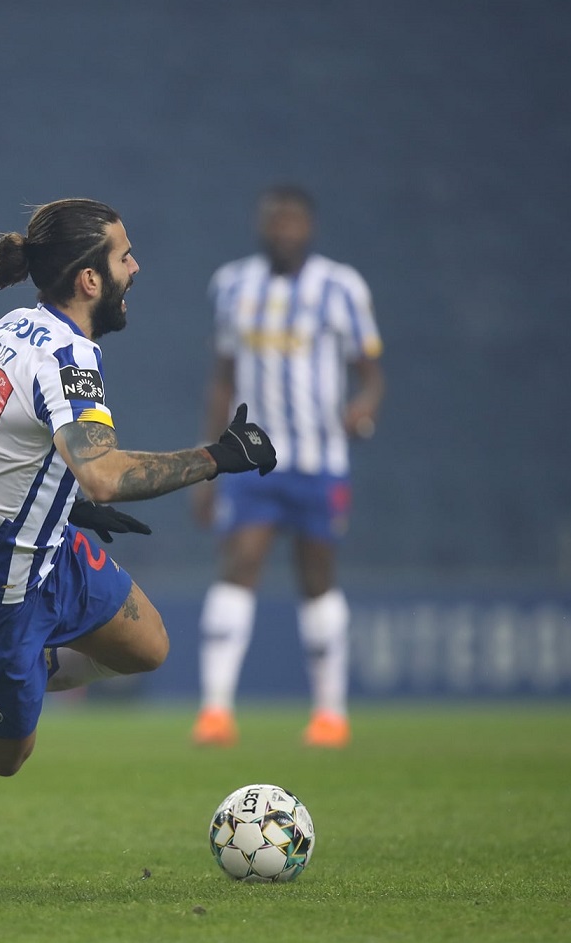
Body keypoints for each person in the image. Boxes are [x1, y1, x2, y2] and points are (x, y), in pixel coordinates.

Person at [0, 199, 277, 777]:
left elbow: (7, 439)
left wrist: (61, 503)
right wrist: (217, 458)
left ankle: (29, 663)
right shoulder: (68, 355)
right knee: (5, 756)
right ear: (89, 279)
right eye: (124, 257)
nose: (135, 268)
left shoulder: (12, 325)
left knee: (147, 646)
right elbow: (104, 475)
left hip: (47, 551)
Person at [190, 184, 384, 749]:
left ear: (310, 227)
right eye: (274, 221)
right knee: (239, 563)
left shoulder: (341, 287)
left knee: (317, 574)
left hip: (320, 461)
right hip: (253, 459)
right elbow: (222, 379)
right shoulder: (233, 285)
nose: (283, 230)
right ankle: (215, 711)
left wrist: (365, 405)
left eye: (293, 221)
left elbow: (372, 372)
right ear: (261, 225)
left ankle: (330, 714)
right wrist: (207, 463)